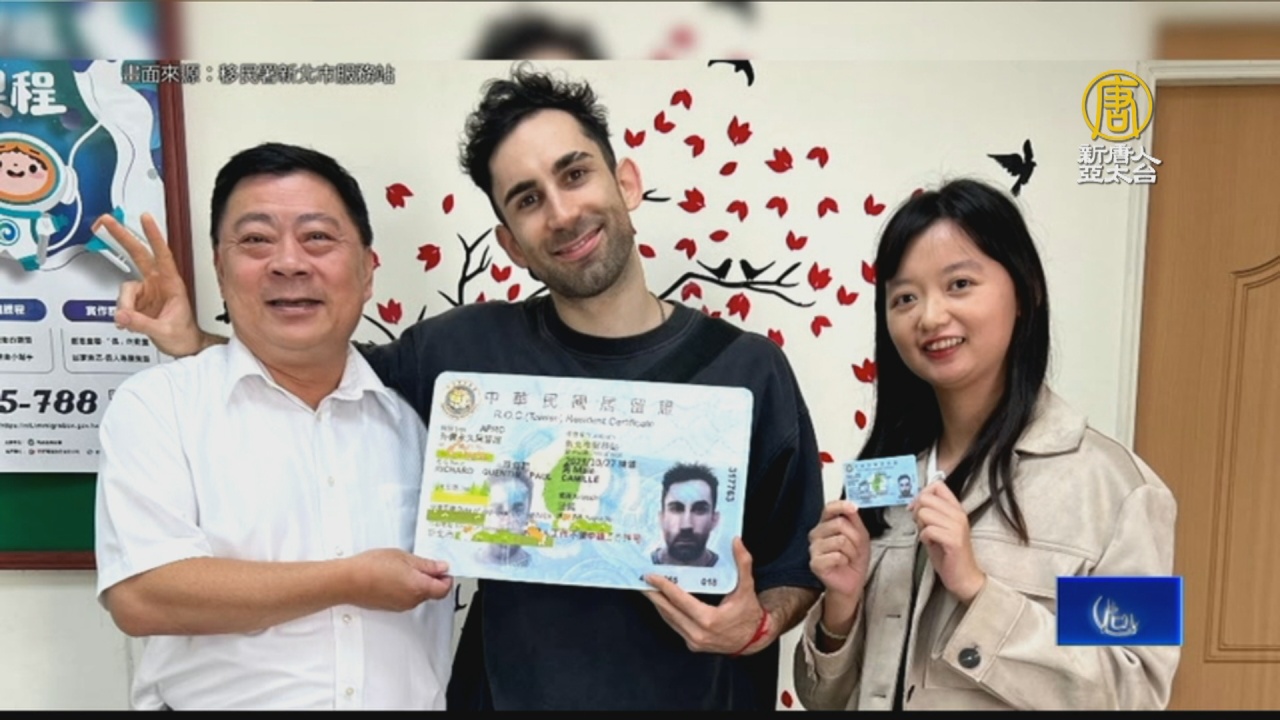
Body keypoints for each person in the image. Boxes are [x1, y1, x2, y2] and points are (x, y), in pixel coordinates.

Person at [100, 64, 825, 711]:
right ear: (510, 242)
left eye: (575, 175)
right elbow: (310, 365)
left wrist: (759, 623)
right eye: (527, 199)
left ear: (625, 182)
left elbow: (794, 563)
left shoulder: (748, 368)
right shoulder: (461, 352)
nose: (562, 213)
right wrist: (199, 342)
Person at [91, 143, 456, 710]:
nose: (289, 263)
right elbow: (143, 596)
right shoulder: (160, 405)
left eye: (318, 237)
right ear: (220, 269)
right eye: (257, 240)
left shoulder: (420, 421)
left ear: (367, 271)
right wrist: (349, 580)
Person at [793, 178, 1180, 710]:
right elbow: (823, 699)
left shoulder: (1113, 491)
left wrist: (977, 590)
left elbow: (1136, 690)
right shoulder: (882, 479)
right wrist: (840, 610)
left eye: (959, 284)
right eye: (905, 298)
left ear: (1025, 290)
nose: (930, 317)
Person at [652, 462, 721, 567]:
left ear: (714, 520)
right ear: (662, 518)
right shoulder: (634, 570)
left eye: (700, 509)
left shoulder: (730, 571)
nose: (686, 525)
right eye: (676, 509)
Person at [476, 469, 534, 567]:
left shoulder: (545, 567)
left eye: (517, 510)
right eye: (498, 509)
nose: (507, 521)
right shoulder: (460, 562)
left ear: (528, 517)